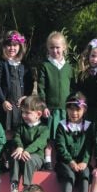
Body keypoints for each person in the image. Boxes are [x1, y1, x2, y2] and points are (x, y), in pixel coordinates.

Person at [55, 92, 92, 192]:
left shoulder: (88, 126)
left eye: (78, 109)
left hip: (81, 162)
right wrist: (70, 161)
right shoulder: (62, 126)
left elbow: (89, 146)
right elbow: (60, 146)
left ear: (84, 110)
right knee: (69, 175)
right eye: (71, 109)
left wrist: (85, 161)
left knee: (85, 173)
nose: (74, 113)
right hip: (65, 162)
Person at [38, 31, 73, 170]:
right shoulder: (45, 66)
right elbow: (41, 87)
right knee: (49, 137)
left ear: (64, 47)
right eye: (52, 47)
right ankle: (47, 162)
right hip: (50, 109)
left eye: (58, 47)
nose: (55, 50)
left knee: (63, 137)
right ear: (48, 49)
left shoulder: (69, 68)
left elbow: (73, 89)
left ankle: (62, 161)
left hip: (65, 109)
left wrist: (72, 107)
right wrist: (43, 106)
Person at [8, 95, 49, 192]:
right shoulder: (21, 127)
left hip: (36, 157)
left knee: (28, 159)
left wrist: (27, 151)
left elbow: (40, 142)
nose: (24, 115)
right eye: (23, 112)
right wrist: (20, 147)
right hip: (21, 154)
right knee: (14, 156)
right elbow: (16, 137)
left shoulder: (44, 129)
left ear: (38, 114)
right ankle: (14, 187)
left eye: (28, 113)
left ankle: (26, 189)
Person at [0, 30, 33, 136]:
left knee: (19, 130)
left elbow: (30, 82)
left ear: (20, 46)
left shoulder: (24, 64)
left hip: (20, 103)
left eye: (15, 45)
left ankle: (16, 149)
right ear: (4, 47)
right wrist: (3, 101)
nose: (12, 48)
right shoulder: (1, 63)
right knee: (6, 130)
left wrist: (25, 97)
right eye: (9, 45)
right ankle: (5, 151)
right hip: (6, 103)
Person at [72, 38, 97, 123]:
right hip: (85, 110)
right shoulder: (82, 74)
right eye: (93, 56)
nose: (95, 59)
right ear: (89, 55)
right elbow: (79, 91)